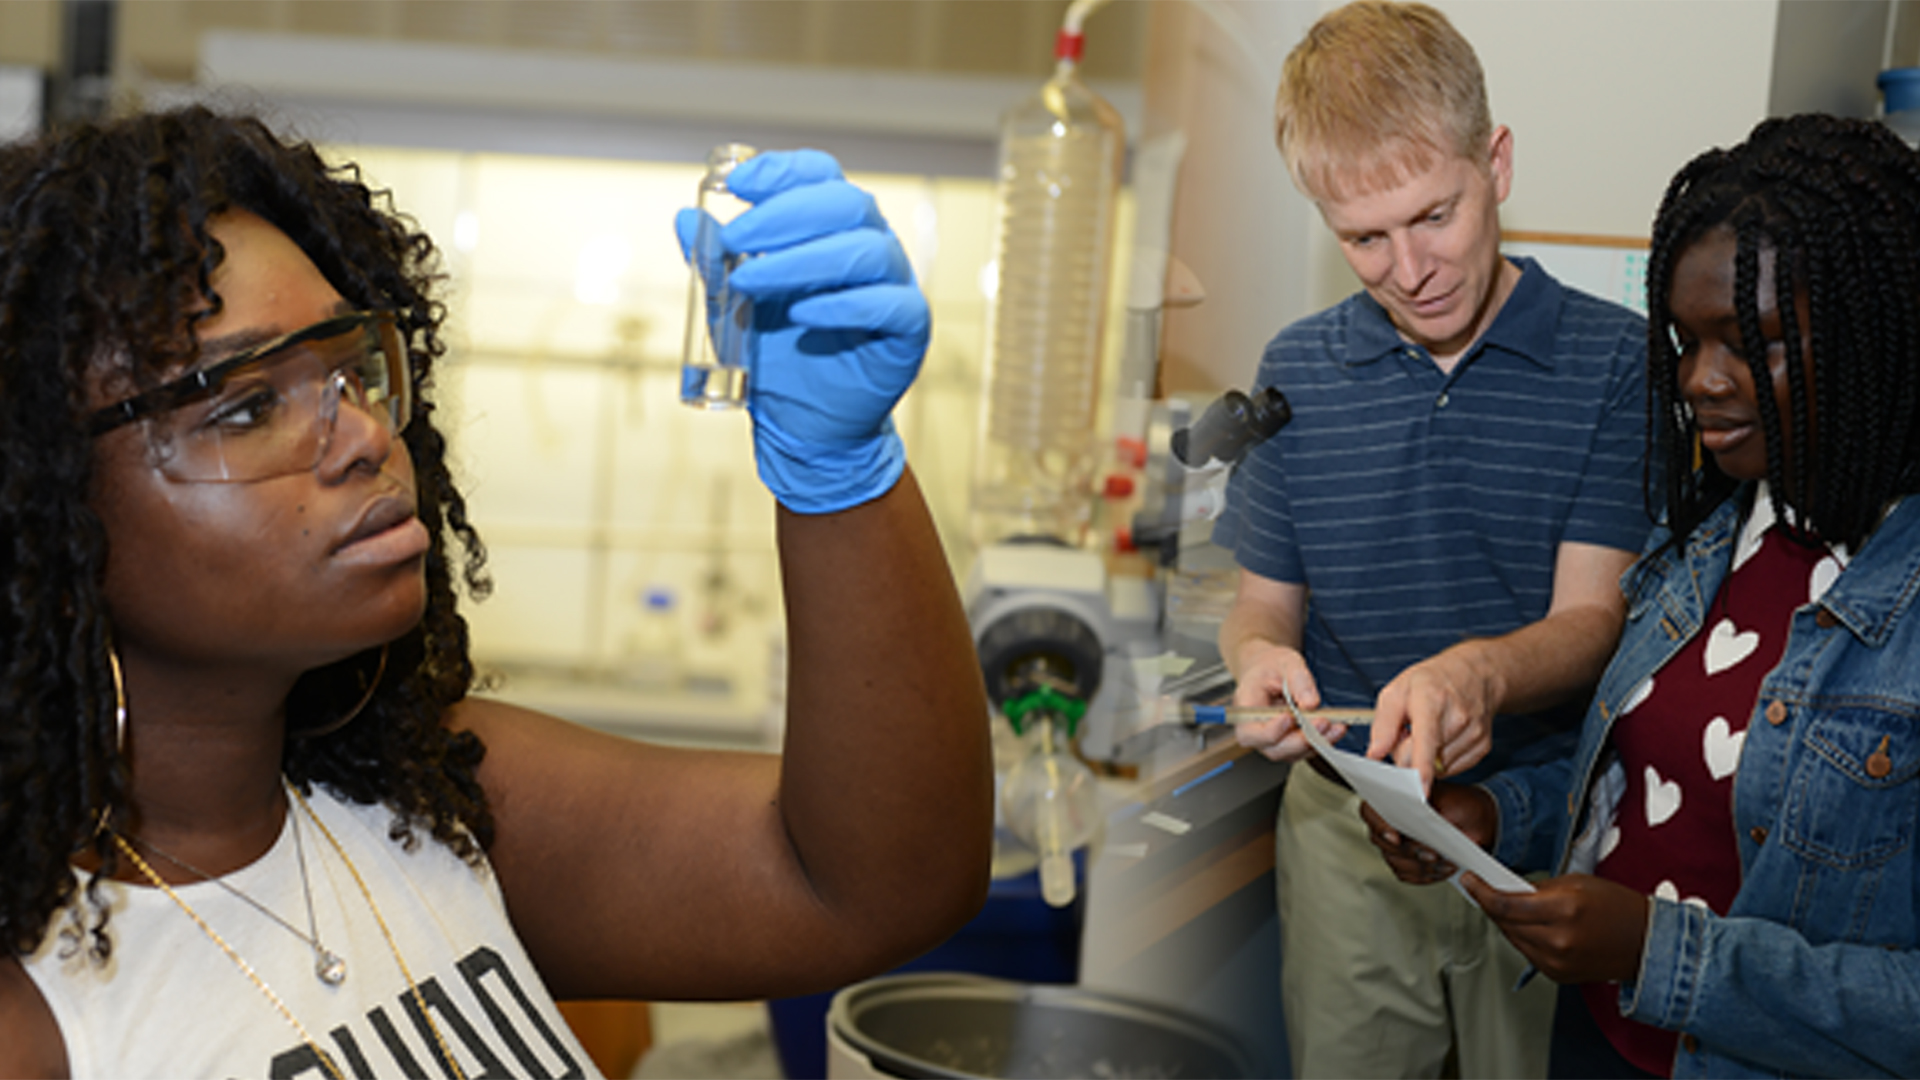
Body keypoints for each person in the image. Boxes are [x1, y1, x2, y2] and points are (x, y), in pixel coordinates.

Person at [0, 105, 993, 1078]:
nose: (365, 438)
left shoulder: (433, 802)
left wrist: (841, 470)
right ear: (38, 499)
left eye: (353, 371)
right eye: (251, 405)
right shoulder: (36, 1010)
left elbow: (875, 888)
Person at [1368, 113, 1920, 1078]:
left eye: (1755, 343)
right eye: (1685, 340)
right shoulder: (1705, 543)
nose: (1702, 381)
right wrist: (1494, 820)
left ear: (1876, 338)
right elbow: (1656, 788)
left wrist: (1658, 953)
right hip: (1601, 1040)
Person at [1209, 2, 1651, 1075]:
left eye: (1434, 216)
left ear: (1494, 163)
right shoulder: (1298, 370)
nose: (1410, 269)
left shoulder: (1616, 364)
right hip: (1346, 832)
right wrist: (1257, 660)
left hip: (1538, 824)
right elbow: (1264, 604)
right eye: (1364, 238)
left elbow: (1594, 620)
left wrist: (1474, 678)